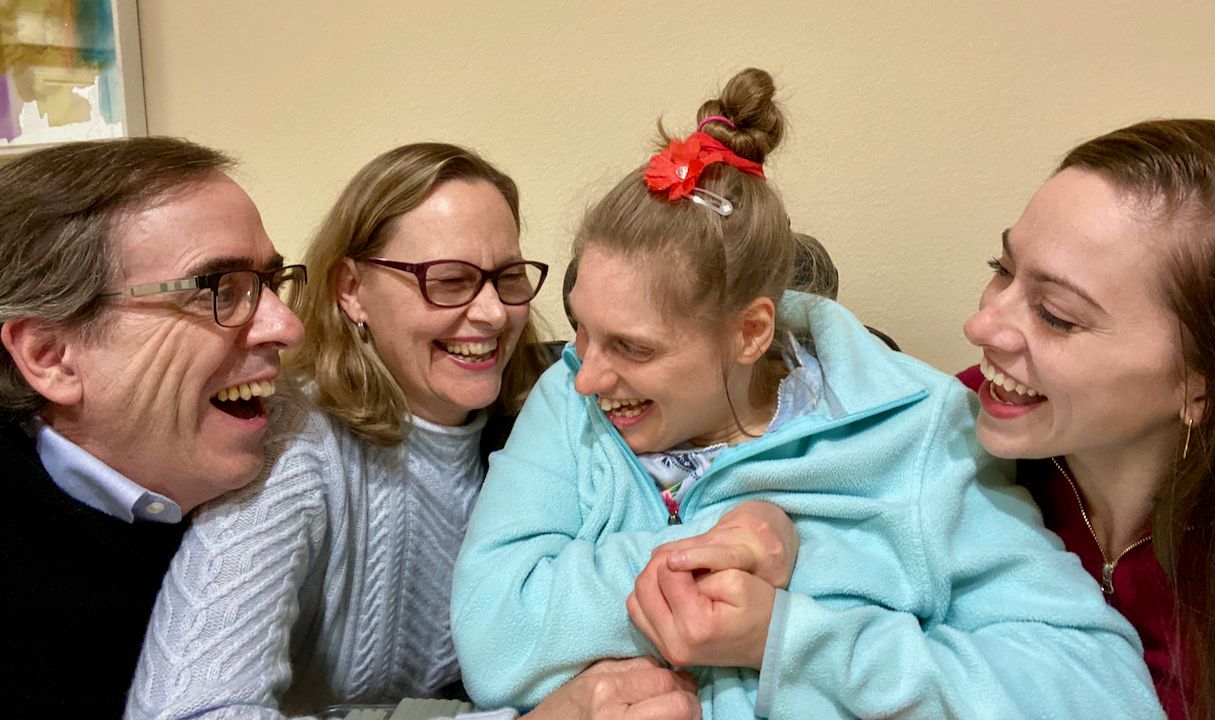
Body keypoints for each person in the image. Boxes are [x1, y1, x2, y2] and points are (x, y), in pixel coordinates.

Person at [452, 68, 1163, 719]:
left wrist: (792, 633)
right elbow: (492, 638)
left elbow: (1103, 691)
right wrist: (723, 540)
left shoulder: (918, 432)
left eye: (632, 347)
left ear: (750, 332)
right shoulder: (567, 403)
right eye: (582, 329)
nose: (585, 375)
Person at [127, 142, 700, 720]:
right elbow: (187, 710)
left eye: (506, 278)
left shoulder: (562, 416)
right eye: (448, 281)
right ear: (351, 290)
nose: (494, 314)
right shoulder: (293, 448)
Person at [959, 119, 1215, 720]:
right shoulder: (951, 428)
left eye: (1055, 315)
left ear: (1203, 384)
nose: (981, 327)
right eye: (1001, 268)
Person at [0, 136, 305, 718]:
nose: (286, 326)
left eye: (271, 282)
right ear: (52, 356)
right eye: (217, 289)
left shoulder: (303, 449)